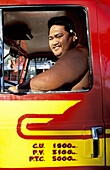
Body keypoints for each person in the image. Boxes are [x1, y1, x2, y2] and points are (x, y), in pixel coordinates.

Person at [8, 16, 89, 93]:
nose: (54, 42)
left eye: (59, 36)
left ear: (73, 36)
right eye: (51, 38)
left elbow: (49, 80)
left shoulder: (79, 52)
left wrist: (19, 88)